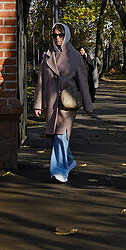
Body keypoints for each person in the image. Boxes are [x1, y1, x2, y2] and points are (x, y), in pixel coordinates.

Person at [33, 23, 94, 183]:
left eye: (60, 35)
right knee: (56, 137)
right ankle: (69, 160)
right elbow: (40, 83)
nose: (58, 38)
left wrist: (88, 105)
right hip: (51, 103)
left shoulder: (74, 56)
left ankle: (59, 171)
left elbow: (83, 82)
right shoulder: (47, 56)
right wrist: (37, 104)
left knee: (61, 135)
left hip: (67, 104)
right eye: (55, 35)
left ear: (66, 35)